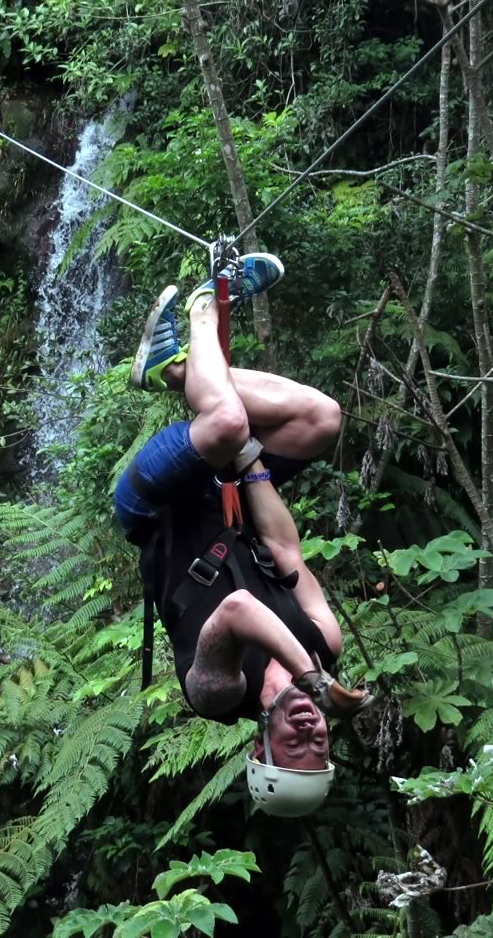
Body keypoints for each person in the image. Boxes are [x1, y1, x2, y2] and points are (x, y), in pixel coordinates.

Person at [114, 256, 373, 817]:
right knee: (321, 420)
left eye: (292, 747)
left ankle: (203, 307)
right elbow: (285, 552)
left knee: (226, 422)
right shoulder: (325, 643)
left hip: (154, 508)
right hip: (220, 488)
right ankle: (179, 372)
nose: (308, 731)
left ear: (261, 746)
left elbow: (235, 610)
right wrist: (252, 464)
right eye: (319, 742)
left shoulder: (217, 693)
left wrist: (310, 677)